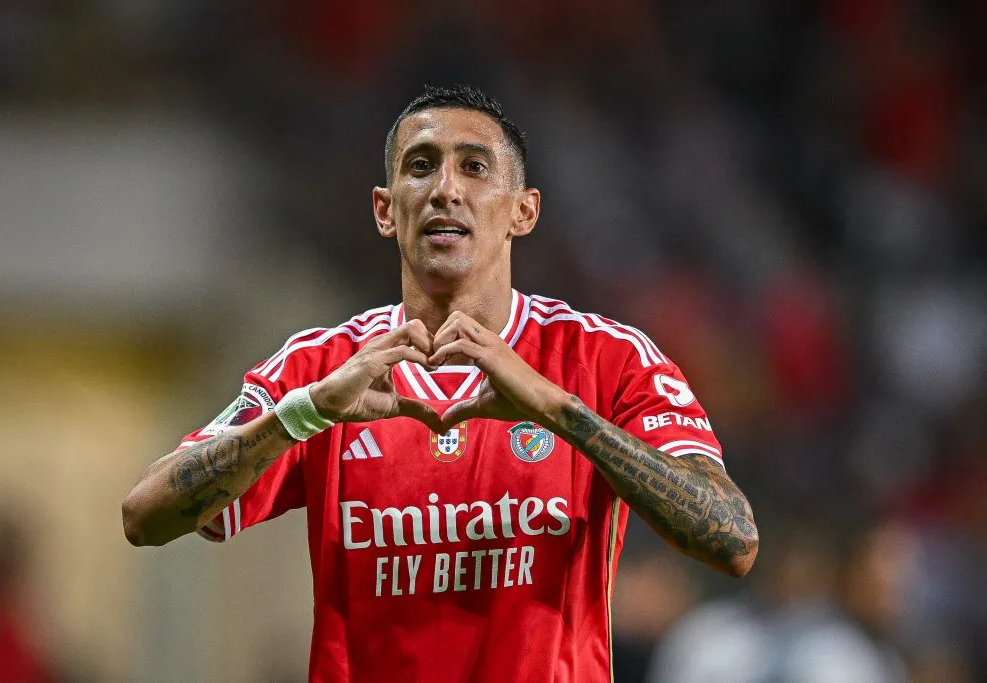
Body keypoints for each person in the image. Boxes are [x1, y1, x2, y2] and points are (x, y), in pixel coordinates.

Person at [121, 84, 759, 682]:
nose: (445, 189)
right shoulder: (323, 367)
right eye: (421, 166)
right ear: (384, 210)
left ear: (523, 211)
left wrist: (561, 411)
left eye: (475, 167)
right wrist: (303, 413)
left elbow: (732, 538)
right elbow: (144, 516)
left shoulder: (604, 357)